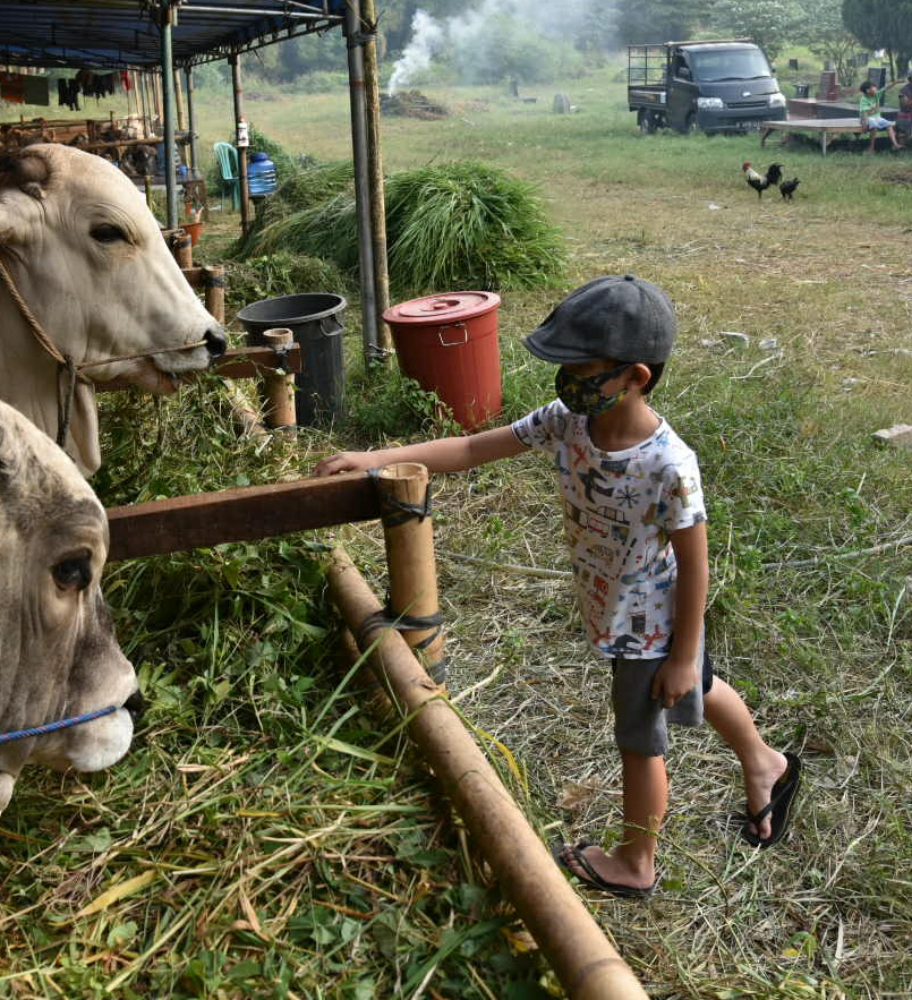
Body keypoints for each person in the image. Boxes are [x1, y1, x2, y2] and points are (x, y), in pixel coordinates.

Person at [314, 275, 801, 898]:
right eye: (562, 365)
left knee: (639, 743)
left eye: (581, 367)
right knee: (698, 689)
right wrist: (378, 457)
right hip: (615, 607)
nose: (566, 379)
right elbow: (468, 447)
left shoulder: (667, 464)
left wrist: (680, 652)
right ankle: (766, 763)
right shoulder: (568, 421)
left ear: (635, 377)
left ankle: (637, 861)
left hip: (646, 626)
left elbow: (695, 561)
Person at [858, 80, 902, 153]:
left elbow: (886, 87)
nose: (876, 88)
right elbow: (864, 113)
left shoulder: (876, 94)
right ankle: (871, 148)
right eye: (874, 87)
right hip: (867, 118)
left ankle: (895, 145)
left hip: (877, 117)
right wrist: (864, 125)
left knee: (889, 125)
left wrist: (896, 82)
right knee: (874, 126)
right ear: (868, 90)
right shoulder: (863, 99)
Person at [897, 72, 912, 142]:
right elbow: (905, 103)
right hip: (905, 112)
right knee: (903, 128)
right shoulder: (903, 90)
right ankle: (901, 144)